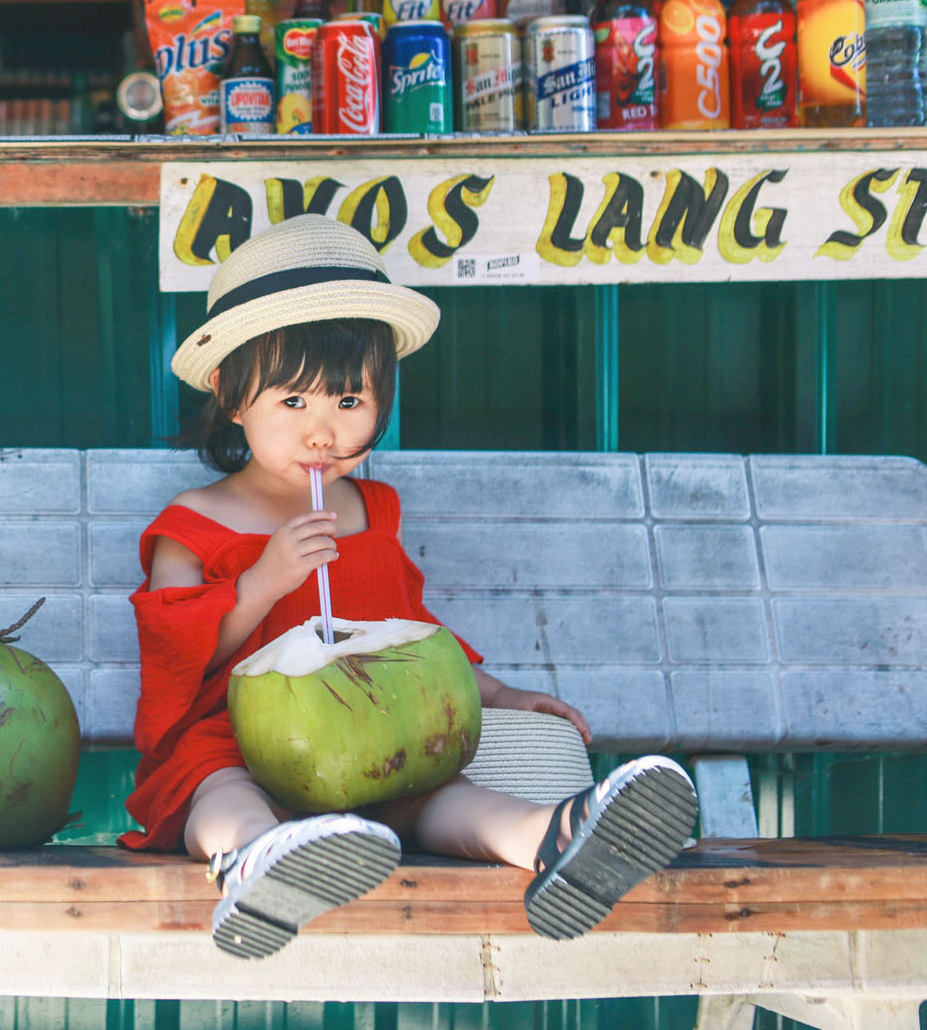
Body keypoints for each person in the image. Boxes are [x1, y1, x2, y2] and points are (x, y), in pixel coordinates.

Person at [125, 214, 699, 959]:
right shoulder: (193, 525)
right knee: (218, 788)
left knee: (439, 795)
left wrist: (501, 696)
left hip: (368, 737)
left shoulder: (370, 510)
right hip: (235, 741)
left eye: (349, 402)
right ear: (233, 398)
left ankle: (555, 839)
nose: (323, 432)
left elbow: (408, 633)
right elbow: (173, 660)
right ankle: (256, 862)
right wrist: (263, 582)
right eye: (293, 404)